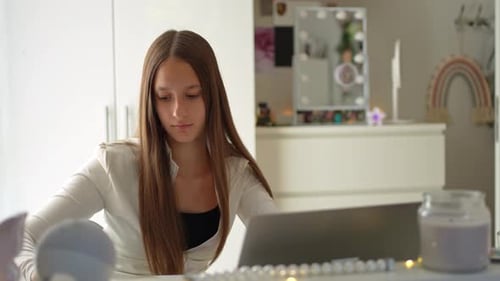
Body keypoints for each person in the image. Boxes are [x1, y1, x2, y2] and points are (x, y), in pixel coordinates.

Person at [15, 29, 278, 279]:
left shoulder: (235, 173)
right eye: (164, 98)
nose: (178, 111)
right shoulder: (114, 165)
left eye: (192, 95)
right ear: (151, 101)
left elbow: (284, 240)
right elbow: (21, 237)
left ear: (212, 96)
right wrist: (36, 275)